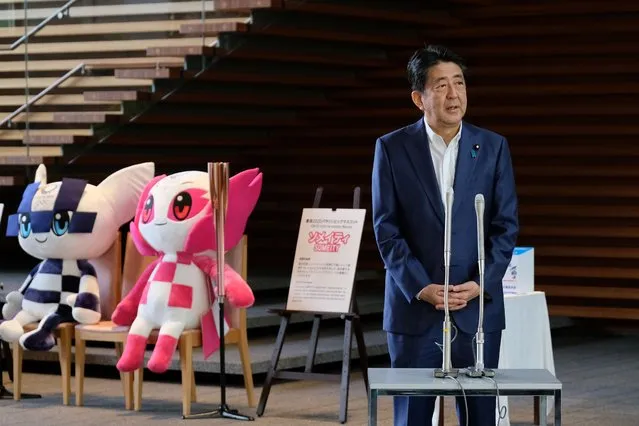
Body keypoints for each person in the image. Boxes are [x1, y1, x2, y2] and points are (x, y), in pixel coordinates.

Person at [371, 44, 519, 426]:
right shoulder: (392, 148)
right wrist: (421, 286)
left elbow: (505, 227)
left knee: (480, 417)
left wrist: (479, 285)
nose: (454, 94)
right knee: (411, 418)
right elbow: (386, 228)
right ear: (419, 98)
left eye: (459, 83)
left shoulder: (491, 147)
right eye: (441, 86)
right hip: (415, 309)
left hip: (476, 309)